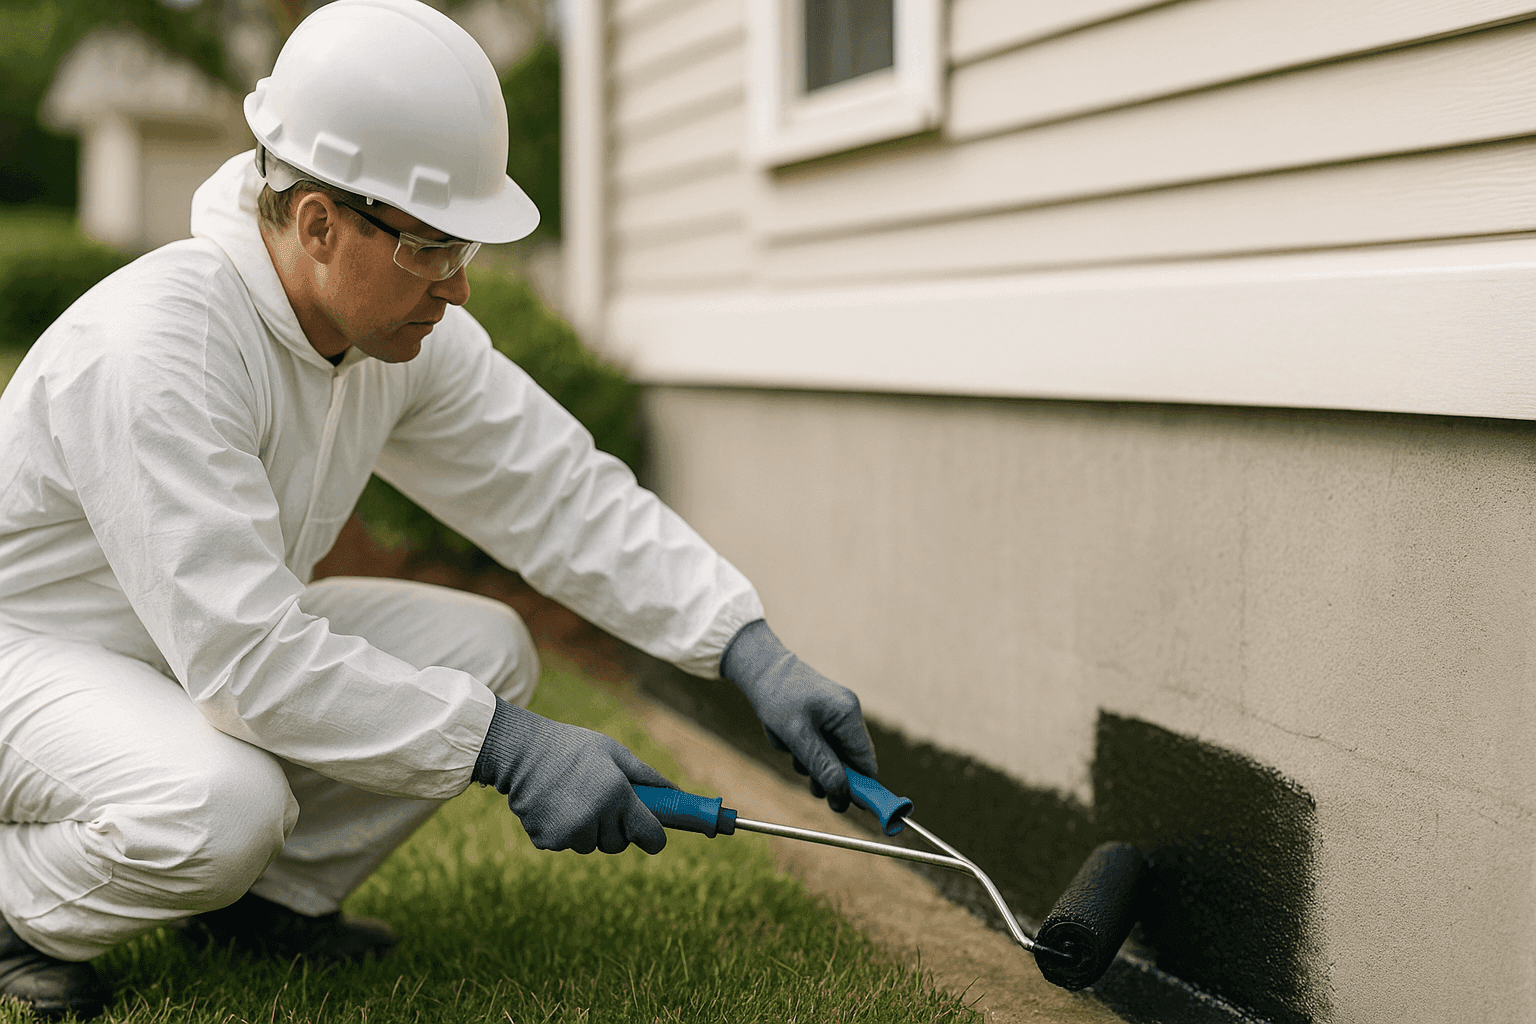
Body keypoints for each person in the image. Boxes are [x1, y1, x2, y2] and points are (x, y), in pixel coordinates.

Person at [0, 1, 877, 1018]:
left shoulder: (388, 332)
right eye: (431, 248)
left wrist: (748, 650)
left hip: (168, 652)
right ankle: (14, 908)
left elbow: (556, 489)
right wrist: (507, 749)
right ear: (320, 222)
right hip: (27, 656)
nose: (458, 287)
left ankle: (263, 906)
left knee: (486, 647)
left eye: (465, 248)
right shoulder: (160, 349)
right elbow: (251, 668)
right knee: (219, 804)